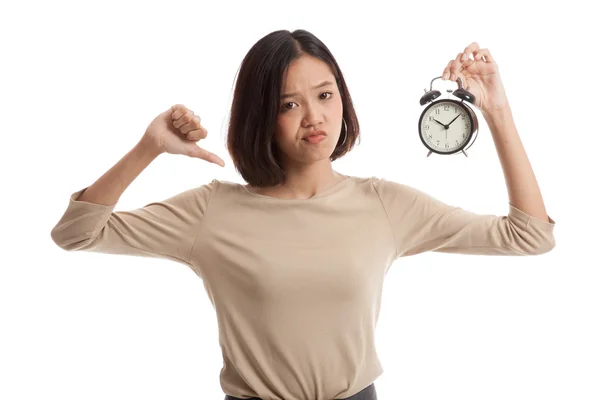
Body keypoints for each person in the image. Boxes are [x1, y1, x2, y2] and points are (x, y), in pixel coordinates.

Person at [50, 29, 556, 400]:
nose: (315, 117)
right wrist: (149, 147)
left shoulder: (384, 205)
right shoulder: (212, 212)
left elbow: (529, 235)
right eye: (288, 104)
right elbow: (75, 233)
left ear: (343, 100)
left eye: (325, 95)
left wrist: (496, 111)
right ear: (260, 116)